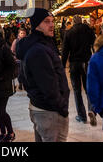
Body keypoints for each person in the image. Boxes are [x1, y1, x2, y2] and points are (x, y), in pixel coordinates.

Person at [16, 8, 70, 142]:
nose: (51, 25)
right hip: (49, 111)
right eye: (46, 22)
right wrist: (61, 107)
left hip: (42, 108)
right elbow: (48, 85)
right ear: (36, 26)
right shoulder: (38, 50)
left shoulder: (40, 44)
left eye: (52, 21)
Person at [62, 15, 97, 126]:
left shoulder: (69, 32)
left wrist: (62, 66)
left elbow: (65, 51)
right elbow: (94, 45)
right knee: (89, 89)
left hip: (74, 64)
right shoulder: (89, 30)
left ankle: (82, 116)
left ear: (72, 22)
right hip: (87, 62)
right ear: (81, 21)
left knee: (77, 91)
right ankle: (92, 110)